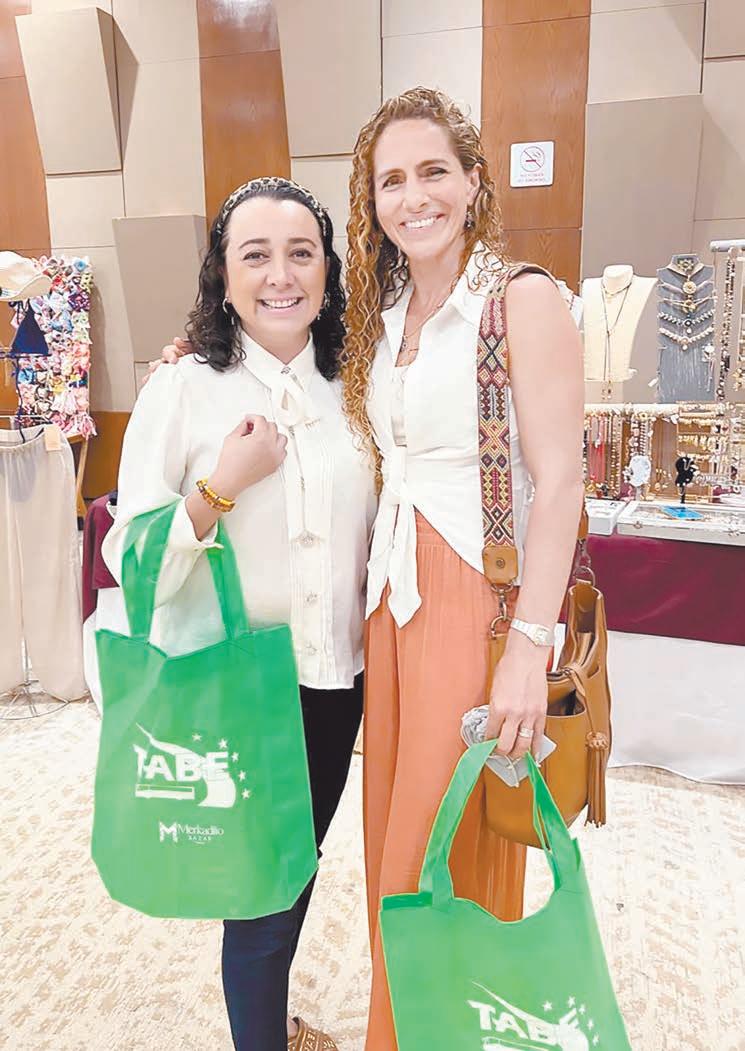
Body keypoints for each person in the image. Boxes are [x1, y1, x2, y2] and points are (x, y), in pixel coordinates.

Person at [102, 177, 377, 1051]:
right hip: (238, 682)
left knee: (294, 869)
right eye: (254, 255)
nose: (280, 275)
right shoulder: (183, 388)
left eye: (301, 253)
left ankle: (270, 1018)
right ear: (223, 276)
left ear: (328, 272)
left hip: (335, 679)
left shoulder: (357, 385)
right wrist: (220, 486)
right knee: (260, 893)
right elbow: (130, 559)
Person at [339, 88, 585, 1048]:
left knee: (436, 846)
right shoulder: (386, 310)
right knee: (392, 848)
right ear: (373, 201)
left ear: (475, 181)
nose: (414, 197)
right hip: (391, 600)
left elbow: (560, 482)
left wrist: (528, 646)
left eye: (434, 171)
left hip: (473, 597)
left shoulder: (518, 298)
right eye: (391, 180)